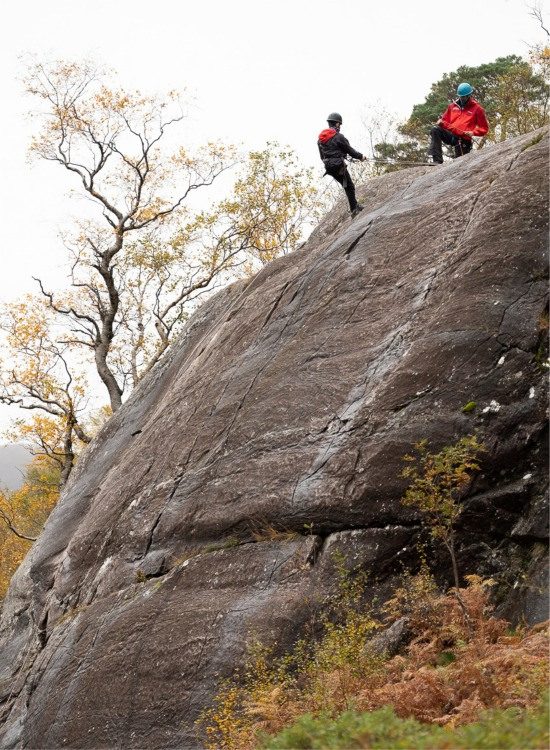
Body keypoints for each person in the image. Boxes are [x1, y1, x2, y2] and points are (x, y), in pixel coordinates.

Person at [318, 112, 367, 217]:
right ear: (336, 124)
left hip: (329, 167)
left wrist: (336, 158)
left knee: (347, 185)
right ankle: (354, 209)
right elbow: (350, 150)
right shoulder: (338, 137)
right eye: (339, 124)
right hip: (338, 165)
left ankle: (354, 206)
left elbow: (322, 156)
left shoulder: (320, 140)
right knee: (349, 186)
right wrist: (361, 157)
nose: (339, 126)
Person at [428, 83, 489, 164]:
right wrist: (440, 122)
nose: (462, 98)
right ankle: (437, 161)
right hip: (451, 135)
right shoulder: (452, 106)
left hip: (463, 140)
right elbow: (444, 120)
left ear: (469, 95)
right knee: (435, 130)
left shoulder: (477, 109)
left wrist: (473, 132)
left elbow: (484, 128)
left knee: (460, 163)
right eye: (460, 96)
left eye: (464, 96)